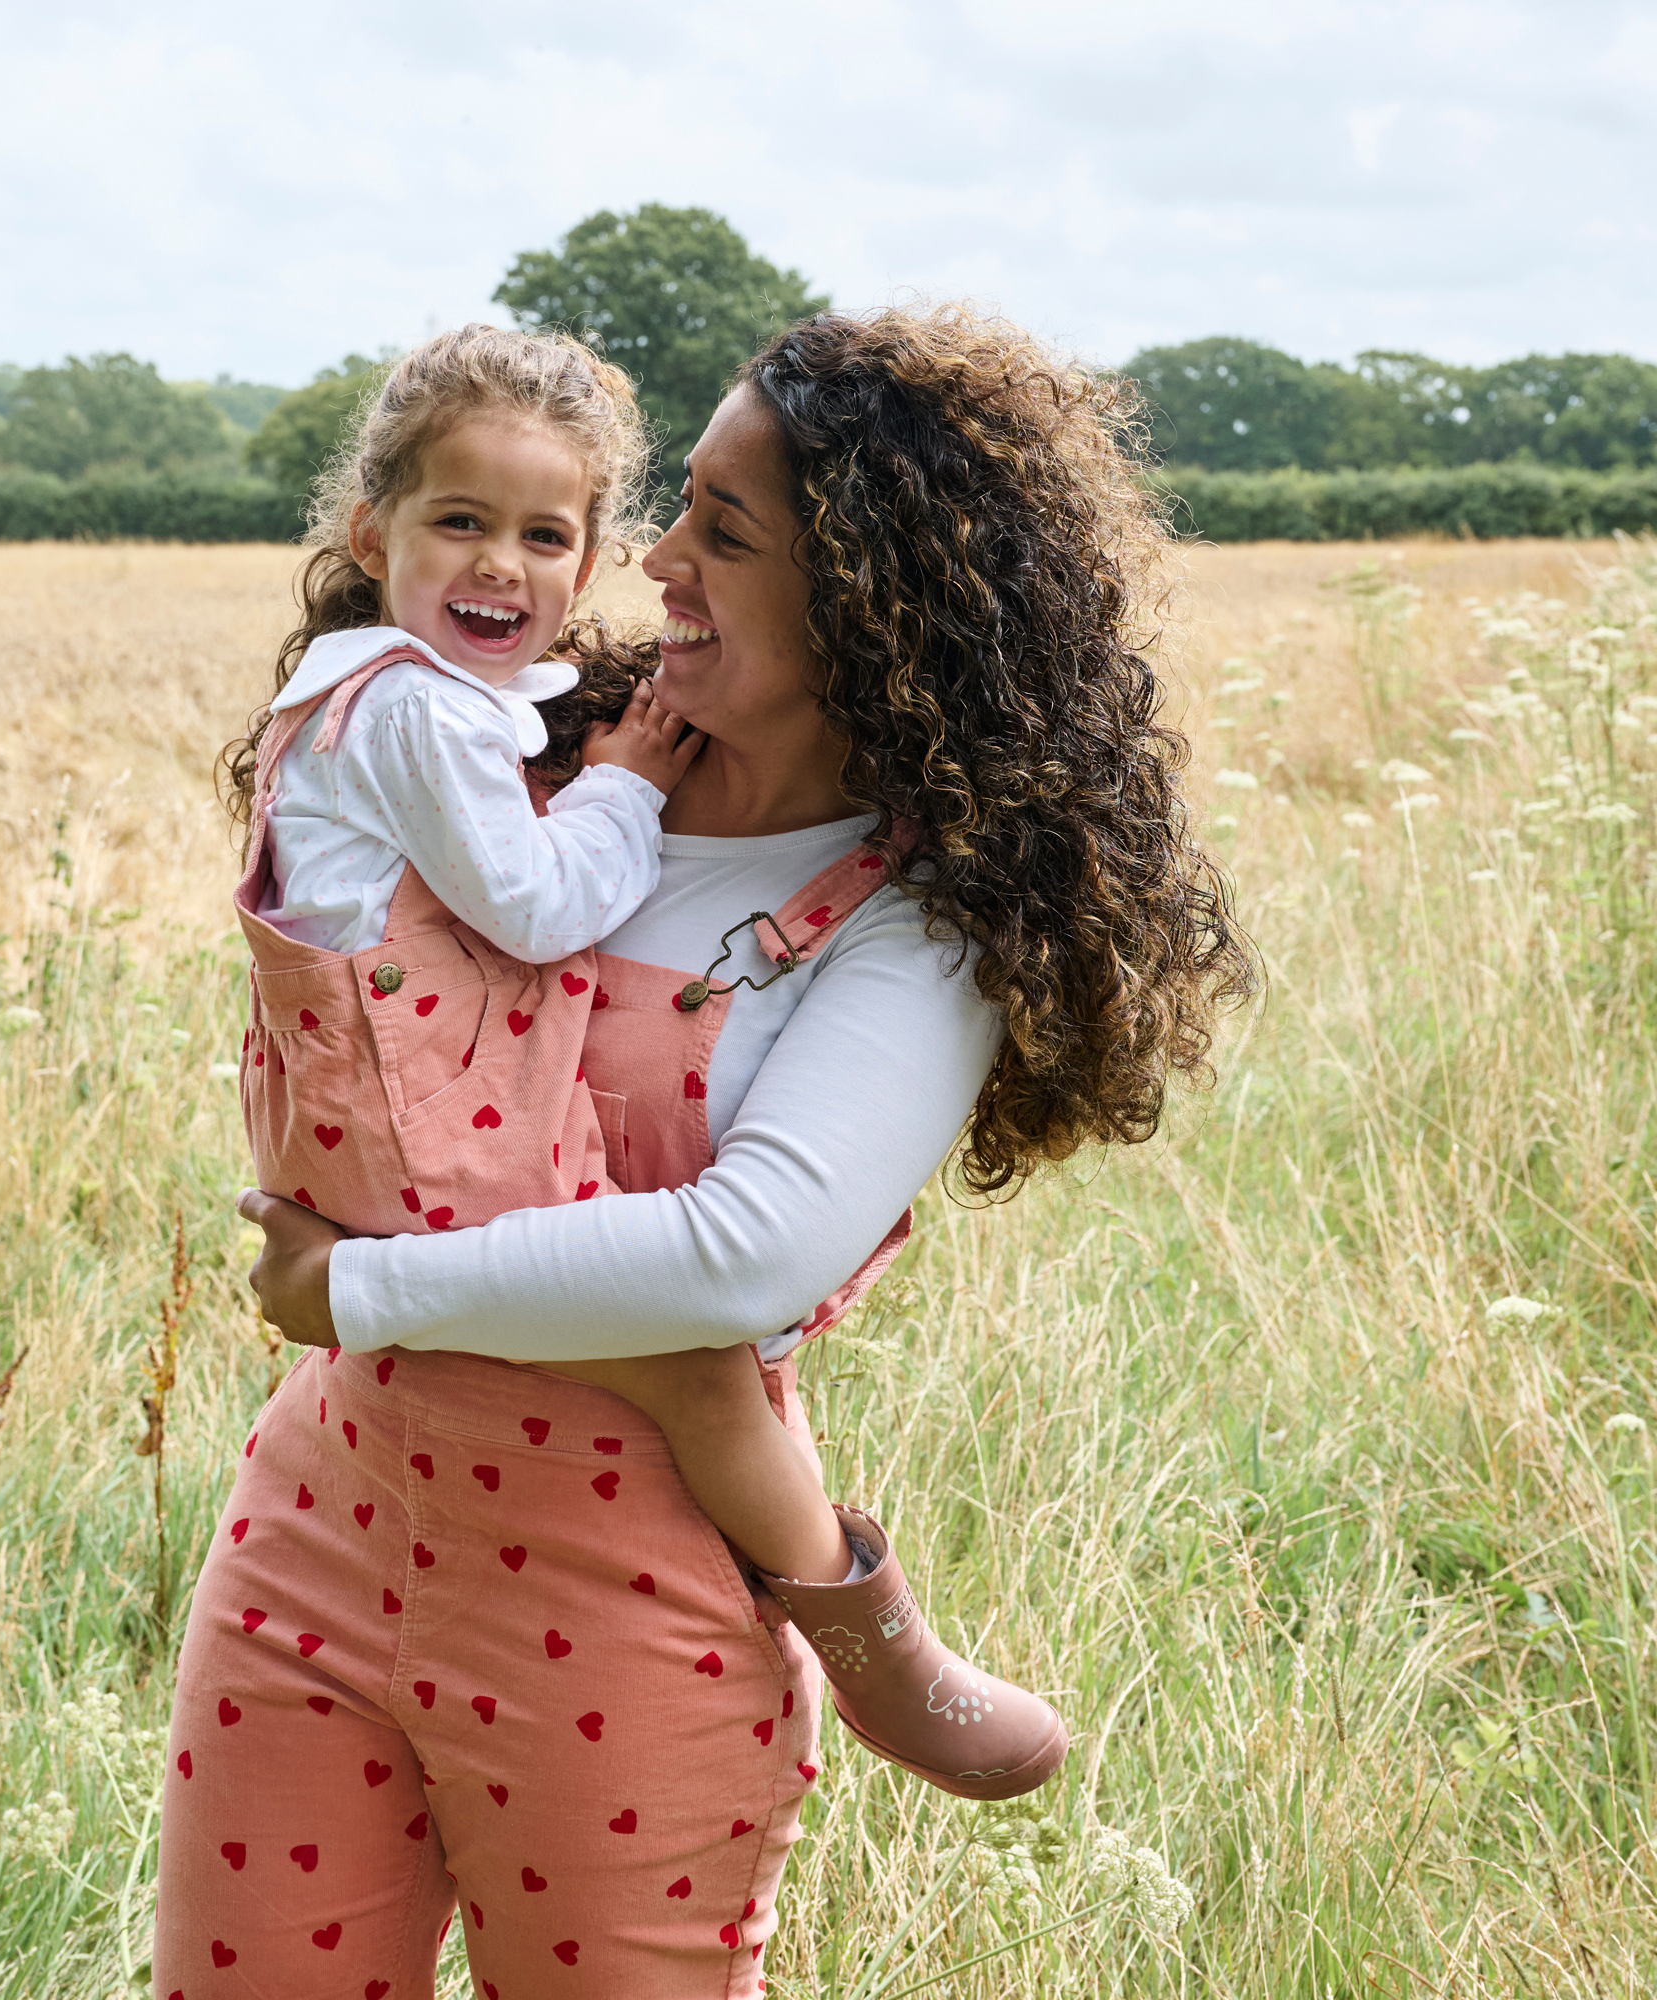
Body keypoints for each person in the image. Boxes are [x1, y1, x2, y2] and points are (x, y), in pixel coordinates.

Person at [155, 306, 1253, 1999]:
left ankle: (869, 1638)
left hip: (613, 1600)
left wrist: (359, 1284)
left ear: (876, 597)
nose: (648, 558)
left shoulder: (914, 921)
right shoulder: (551, 764)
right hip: (317, 1528)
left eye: (720, 530)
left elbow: (746, 1256)